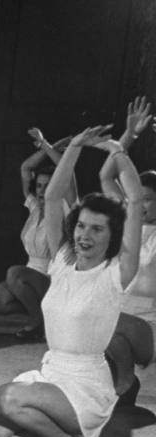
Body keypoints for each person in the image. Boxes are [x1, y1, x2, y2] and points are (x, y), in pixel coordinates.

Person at [0, 125, 144, 437]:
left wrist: (118, 149)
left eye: (97, 229)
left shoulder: (116, 272)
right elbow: (52, 198)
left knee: (9, 396)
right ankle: (62, 436)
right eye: (81, 227)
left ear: (112, 236)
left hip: (86, 385)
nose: (85, 235)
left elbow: (137, 200)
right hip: (52, 374)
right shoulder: (62, 262)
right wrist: (75, 147)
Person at [0, 128, 77, 340]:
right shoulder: (34, 206)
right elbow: (26, 168)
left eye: (49, 185)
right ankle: (46, 316)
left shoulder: (65, 207)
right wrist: (48, 147)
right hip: (29, 277)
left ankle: (37, 324)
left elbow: (67, 173)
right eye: (40, 185)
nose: (42, 190)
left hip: (54, 278)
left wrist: (46, 145)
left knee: (15, 273)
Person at [98, 97, 155, 406]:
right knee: (106, 323)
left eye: (148, 199)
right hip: (121, 321)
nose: (141, 204)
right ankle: (126, 382)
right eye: (139, 198)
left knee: (103, 318)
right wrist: (128, 137)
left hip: (151, 329)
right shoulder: (128, 219)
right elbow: (107, 176)